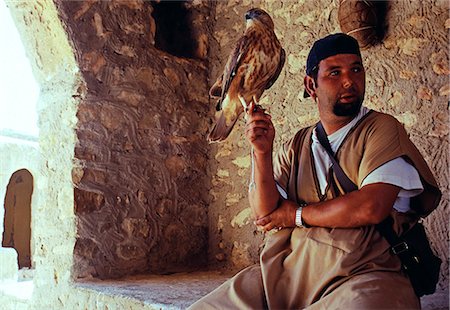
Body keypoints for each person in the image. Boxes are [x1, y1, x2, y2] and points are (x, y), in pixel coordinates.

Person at [190, 33, 441, 309]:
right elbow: (265, 213)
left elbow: (371, 207)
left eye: (356, 69)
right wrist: (261, 152)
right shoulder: (297, 144)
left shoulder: (381, 128)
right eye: (335, 72)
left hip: (363, 275)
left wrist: (295, 214)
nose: (349, 81)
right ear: (311, 85)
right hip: (285, 274)